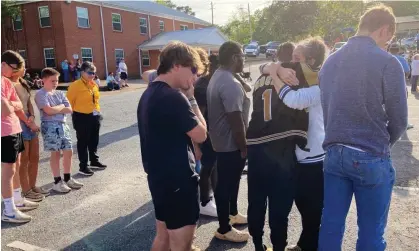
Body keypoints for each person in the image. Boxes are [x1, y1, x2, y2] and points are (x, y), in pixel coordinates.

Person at [318, 5, 408, 251]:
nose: (387, 44)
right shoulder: (388, 63)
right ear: (384, 30)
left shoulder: (330, 62)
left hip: (334, 153)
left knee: (330, 226)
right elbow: (399, 118)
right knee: (371, 232)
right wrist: (381, 143)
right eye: (388, 39)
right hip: (370, 154)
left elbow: (327, 108)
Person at [137, 41, 206, 251]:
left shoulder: (149, 93)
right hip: (178, 180)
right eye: (193, 70)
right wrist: (192, 98)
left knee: (163, 238)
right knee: (181, 245)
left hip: (159, 179)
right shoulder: (174, 97)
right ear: (176, 65)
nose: (194, 77)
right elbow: (201, 134)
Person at [264, 38, 328, 251]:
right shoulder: (296, 78)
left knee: (312, 211)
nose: (290, 62)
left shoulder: (320, 85)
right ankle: (303, 243)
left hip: (313, 159)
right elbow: (266, 67)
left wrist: (275, 74)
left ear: (310, 61)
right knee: (296, 206)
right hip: (294, 156)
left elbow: (294, 100)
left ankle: (308, 245)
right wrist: (276, 69)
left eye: (296, 58)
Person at [207, 41, 250, 242]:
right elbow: (236, 121)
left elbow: (247, 88)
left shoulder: (221, 75)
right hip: (230, 144)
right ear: (234, 58)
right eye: (242, 56)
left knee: (231, 182)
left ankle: (232, 214)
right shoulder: (230, 84)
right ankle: (224, 228)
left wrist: (237, 73)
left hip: (221, 142)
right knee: (225, 186)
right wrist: (244, 148)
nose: (245, 59)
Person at [1, 50, 38, 223]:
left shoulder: (6, 82)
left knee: (15, 166)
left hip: (15, 128)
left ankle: (17, 200)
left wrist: (28, 121)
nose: (15, 72)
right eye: (13, 68)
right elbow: (6, 109)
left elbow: (17, 106)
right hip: (4, 131)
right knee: (8, 171)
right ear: (3, 64)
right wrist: (11, 103)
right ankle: (8, 210)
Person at [35, 68, 83, 193]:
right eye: (52, 81)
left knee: (68, 151)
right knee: (55, 153)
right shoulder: (41, 94)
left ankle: (67, 178)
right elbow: (48, 111)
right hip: (50, 126)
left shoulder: (60, 93)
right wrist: (61, 107)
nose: (55, 83)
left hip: (63, 125)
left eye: (56, 80)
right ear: (44, 80)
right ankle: (57, 181)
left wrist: (59, 108)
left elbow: (69, 109)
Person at [9, 68, 48, 202]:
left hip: (29, 120)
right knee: (23, 159)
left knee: (35, 157)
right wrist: (27, 121)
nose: (25, 69)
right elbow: (13, 107)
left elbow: (28, 102)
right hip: (18, 121)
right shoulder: (7, 84)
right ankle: (25, 190)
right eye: (22, 66)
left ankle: (32, 186)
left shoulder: (23, 82)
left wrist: (31, 115)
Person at [67, 62, 107, 176]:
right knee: (83, 142)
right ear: (82, 72)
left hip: (94, 116)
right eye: (90, 72)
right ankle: (83, 166)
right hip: (81, 116)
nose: (92, 75)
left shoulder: (94, 85)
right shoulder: (75, 85)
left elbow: (96, 100)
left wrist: (98, 113)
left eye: (94, 73)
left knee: (94, 140)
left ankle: (94, 161)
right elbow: (68, 102)